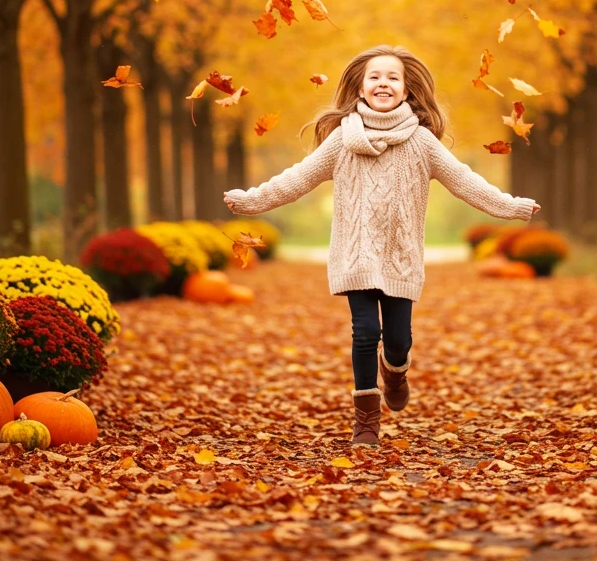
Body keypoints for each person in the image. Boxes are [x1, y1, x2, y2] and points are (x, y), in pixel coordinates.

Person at [224, 44, 540, 447]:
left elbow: (465, 182)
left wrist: (512, 207)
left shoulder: (423, 144)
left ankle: (395, 371)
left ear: (407, 91)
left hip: (401, 259)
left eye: (392, 77)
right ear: (360, 89)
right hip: (354, 255)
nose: (383, 83)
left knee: (398, 340)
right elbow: (297, 178)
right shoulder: (341, 141)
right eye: (374, 77)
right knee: (364, 332)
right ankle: (366, 421)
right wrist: (251, 200)